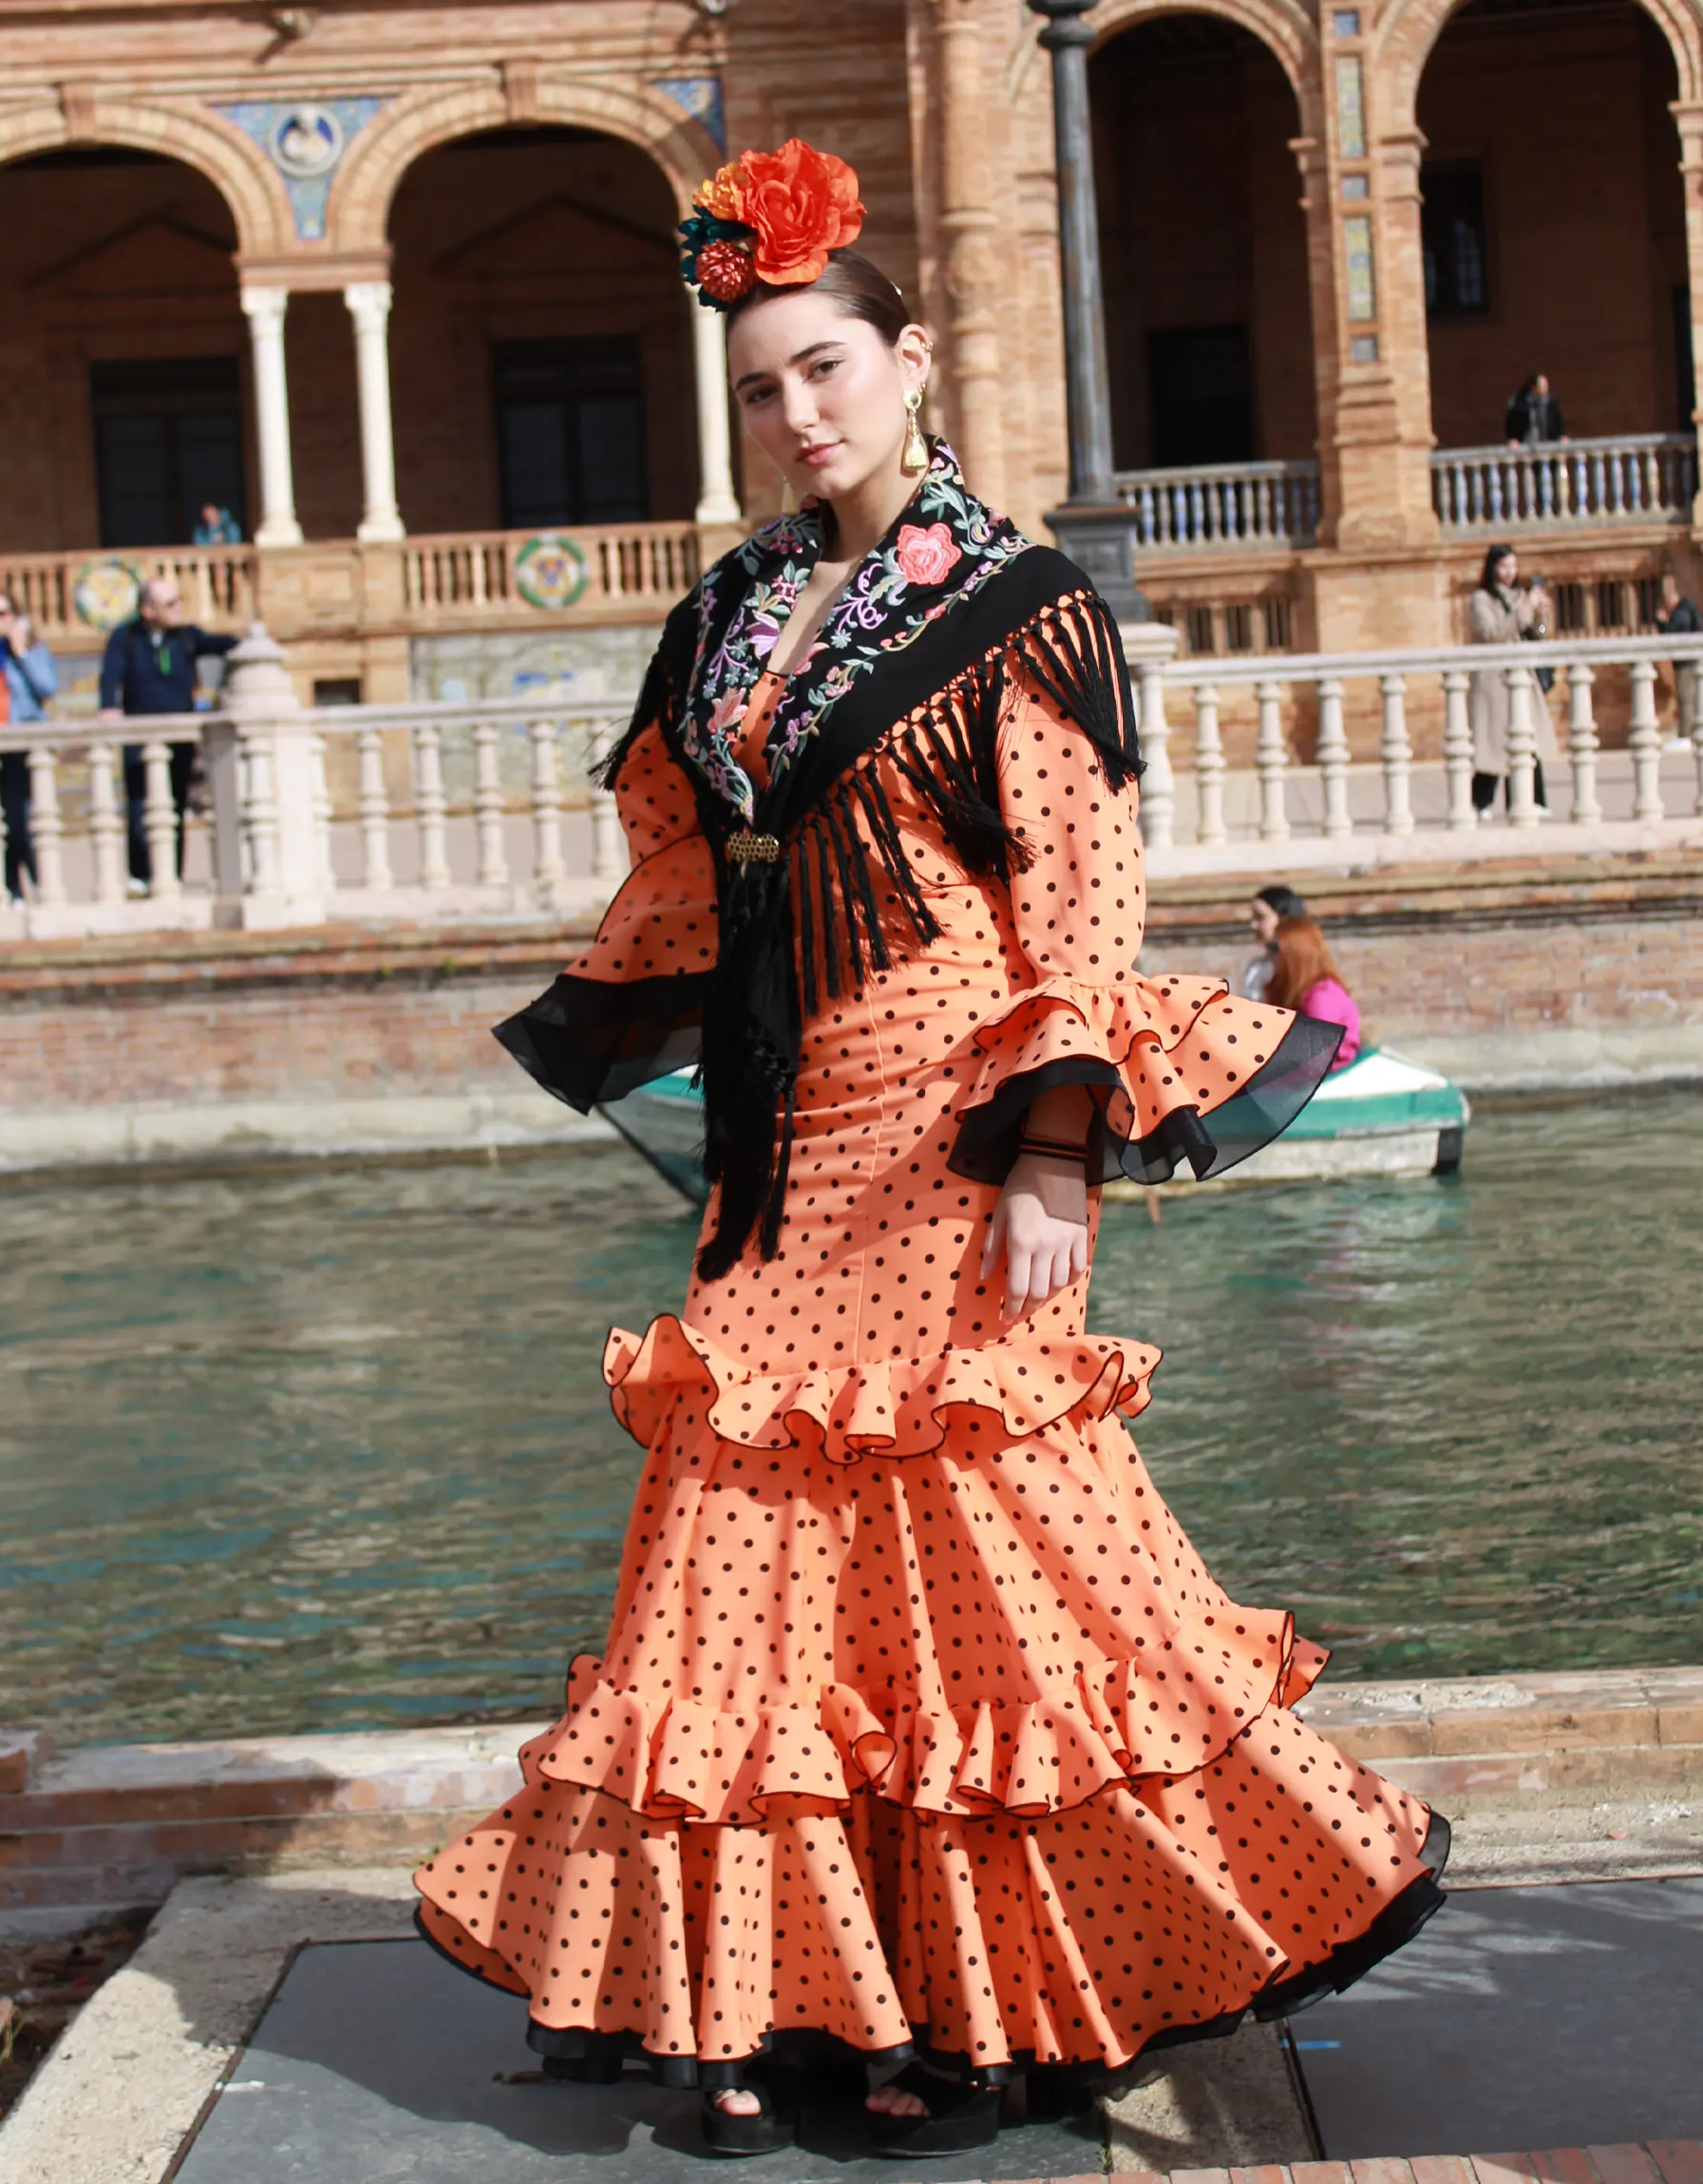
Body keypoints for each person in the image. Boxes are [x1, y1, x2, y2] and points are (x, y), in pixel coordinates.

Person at [412, 140, 1448, 2160]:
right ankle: (772, 1979)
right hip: (780, 1135)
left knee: (992, 1557)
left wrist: (1056, 1140)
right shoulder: (738, 606)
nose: (796, 415)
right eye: (758, 388)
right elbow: (693, 847)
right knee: (744, 1548)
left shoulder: (1021, 599)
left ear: (908, 357)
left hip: (954, 1123)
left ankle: (1006, 1980)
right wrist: (657, 1024)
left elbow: (1075, 891)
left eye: (823, 368)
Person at [97, 578, 238, 892]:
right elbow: (111, 675)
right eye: (170, 603)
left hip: (179, 735)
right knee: (138, 803)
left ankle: (172, 871)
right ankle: (140, 875)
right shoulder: (126, 637)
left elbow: (219, 644)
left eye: (178, 601)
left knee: (174, 803)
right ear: (148, 610)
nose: (177, 609)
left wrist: (249, 643)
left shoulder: (186, 637)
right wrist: (108, 707)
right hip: (139, 733)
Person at [1467, 542, 1559, 816]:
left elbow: (1539, 634)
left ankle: (1532, 800)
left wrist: (1541, 614)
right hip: (1494, 681)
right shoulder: (1481, 599)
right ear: (1493, 567)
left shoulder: (1522, 597)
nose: (1509, 572)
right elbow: (1493, 633)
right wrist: (1524, 611)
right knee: (1495, 745)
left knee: (1527, 741)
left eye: (1513, 566)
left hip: (1521, 680)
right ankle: (1480, 801)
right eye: (1504, 565)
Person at [0, 593, 60, 901]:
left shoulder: (31, 651)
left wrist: (20, 651)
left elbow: (46, 688)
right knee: (1, 821)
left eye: (2, 613)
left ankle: (41, 885)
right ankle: (12, 890)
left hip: (21, 746)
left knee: (21, 821)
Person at [1266, 915, 1360, 1070]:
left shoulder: (1322, 995)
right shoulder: (1283, 988)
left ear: (1296, 953)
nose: (1268, 954)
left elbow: (1317, 1054)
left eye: (1274, 948)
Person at [1654, 572, 1703, 735]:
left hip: (1685, 663)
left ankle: (1686, 734)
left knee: (1685, 699)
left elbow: (1673, 639)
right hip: (1692, 661)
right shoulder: (1688, 608)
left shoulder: (1681, 613)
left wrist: (1661, 622)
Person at [1241, 880, 1305, 999]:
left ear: (1284, 919)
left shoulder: (1306, 969)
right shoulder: (1256, 968)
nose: (1253, 925)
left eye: (1261, 917)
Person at [1504, 371, 1566, 447]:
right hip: (1527, 444)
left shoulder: (1551, 402)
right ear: (1534, 388)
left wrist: (1561, 436)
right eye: (1542, 387)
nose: (1546, 389)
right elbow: (1512, 423)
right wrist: (1513, 438)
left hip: (1547, 443)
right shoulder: (1520, 403)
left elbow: (1557, 421)